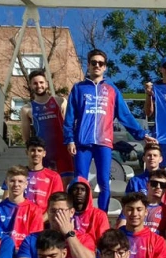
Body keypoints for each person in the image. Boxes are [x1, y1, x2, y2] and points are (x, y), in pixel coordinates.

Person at [64, 48, 154, 212]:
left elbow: (124, 115)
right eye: (94, 62)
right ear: (88, 65)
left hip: (104, 142)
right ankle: (80, 215)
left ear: (105, 67)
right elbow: (69, 117)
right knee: (80, 182)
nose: (97, 65)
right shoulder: (78, 88)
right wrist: (69, 139)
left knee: (104, 182)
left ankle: (102, 217)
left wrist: (141, 134)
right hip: (82, 142)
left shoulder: (112, 89)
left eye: (101, 63)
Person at [11, 193, 96, 258]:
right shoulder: (32, 239)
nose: (57, 215)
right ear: (48, 212)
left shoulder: (84, 238)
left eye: (62, 211)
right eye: (53, 211)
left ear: (71, 212)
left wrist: (69, 234)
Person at [19, 69, 73, 186]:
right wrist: (31, 151)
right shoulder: (27, 109)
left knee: (66, 185)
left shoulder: (60, 101)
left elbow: (69, 125)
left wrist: (71, 143)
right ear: (30, 86)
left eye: (41, 82)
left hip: (63, 150)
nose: (39, 85)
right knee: (46, 186)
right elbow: (26, 134)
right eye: (35, 83)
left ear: (47, 84)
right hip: (44, 153)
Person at [2, 137, 64, 216]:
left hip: (43, 220)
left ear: (44, 153)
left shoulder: (54, 176)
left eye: (39, 150)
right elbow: (6, 198)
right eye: (32, 150)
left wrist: (39, 220)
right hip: (19, 219)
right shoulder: (16, 174)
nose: (36, 154)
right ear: (26, 152)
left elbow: (57, 203)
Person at [0, 165, 44, 249]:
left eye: (20, 181)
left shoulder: (35, 210)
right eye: (12, 181)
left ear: (26, 184)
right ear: (6, 183)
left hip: (24, 252)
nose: (16, 184)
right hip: (1, 251)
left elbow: (35, 238)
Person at [117, 170, 166, 239]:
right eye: (154, 183)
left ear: (165, 189)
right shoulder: (133, 206)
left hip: (155, 244)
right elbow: (121, 226)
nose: (158, 187)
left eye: (162, 185)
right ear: (147, 185)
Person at [67, 177, 110, 244]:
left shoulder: (99, 215)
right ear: (70, 192)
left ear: (88, 193)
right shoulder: (64, 214)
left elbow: (104, 241)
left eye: (83, 190)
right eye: (75, 189)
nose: (79, 192)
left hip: (92, 250)